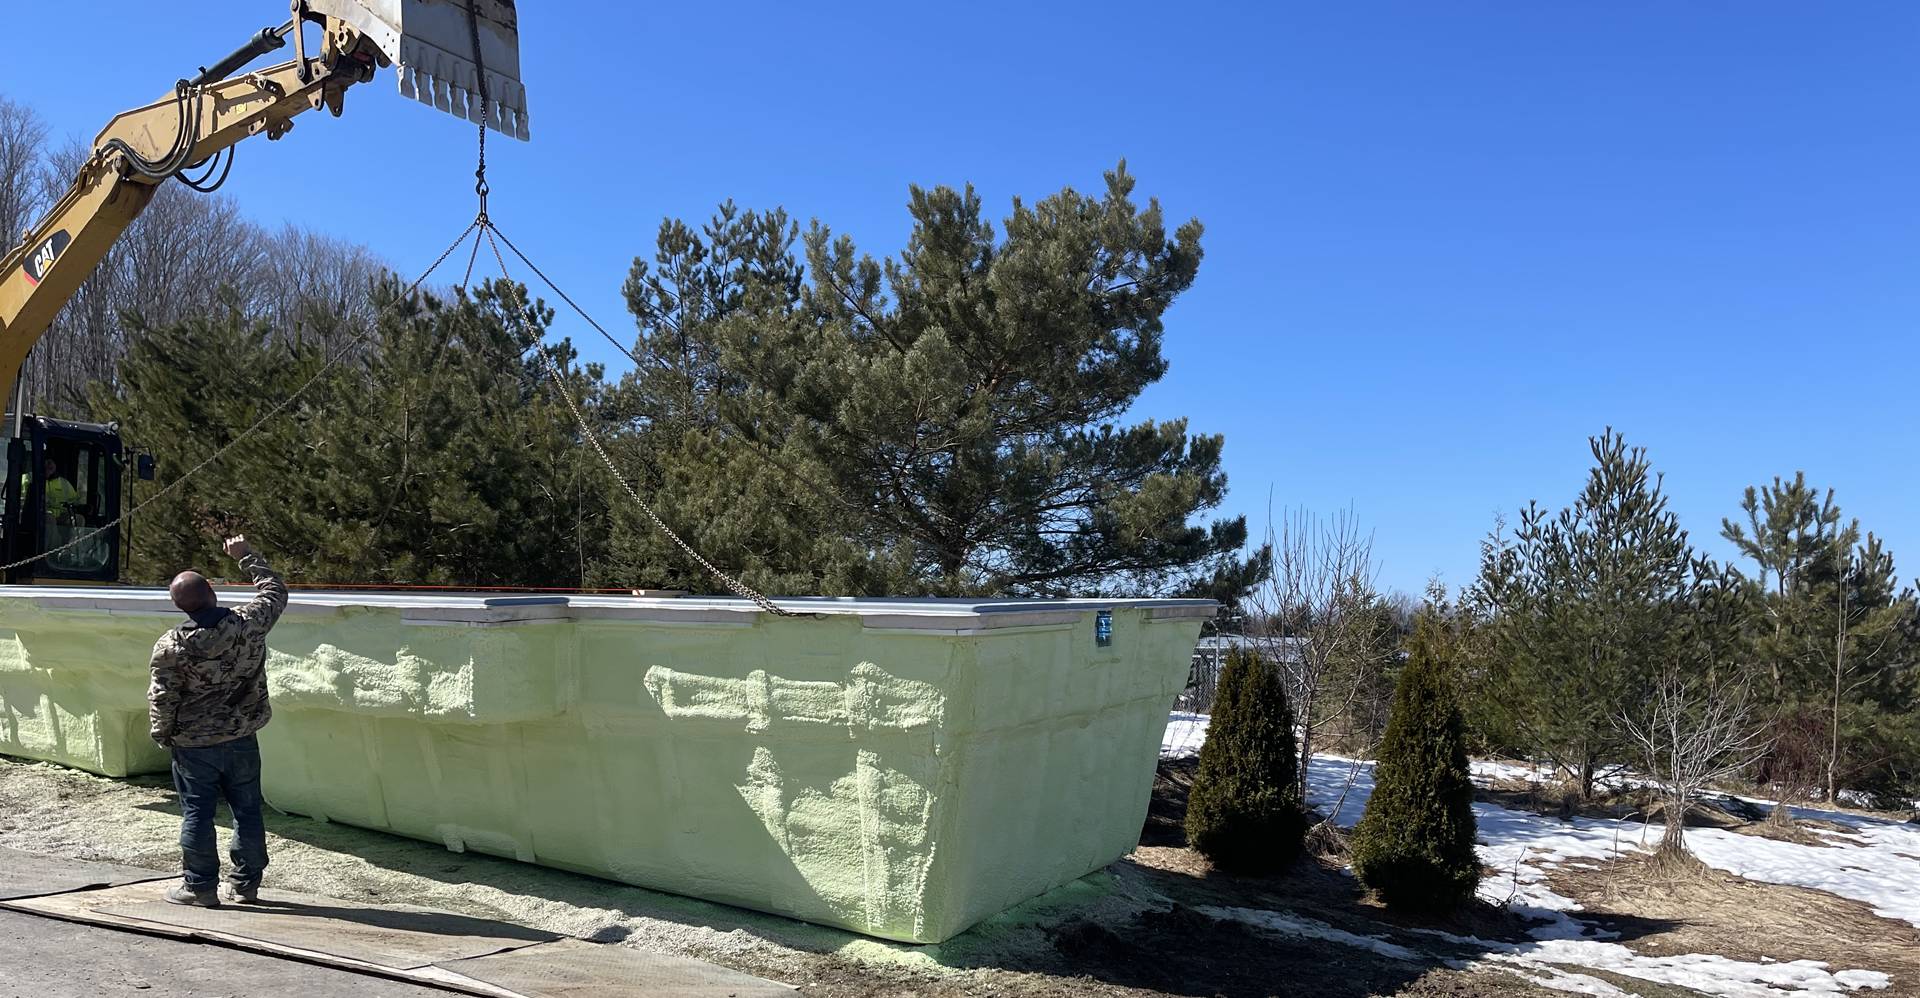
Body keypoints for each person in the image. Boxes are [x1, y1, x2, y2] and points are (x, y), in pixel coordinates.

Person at [147, 532, 289, 907]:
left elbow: (163, 697)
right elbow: (275, 590)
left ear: (181, 606)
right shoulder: (249, 623)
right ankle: (246, 885)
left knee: (197, 812)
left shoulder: (171, 647)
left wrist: (163, 735)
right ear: (212, 591)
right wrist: (244, 555)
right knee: (247, 809)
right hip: (242, 734)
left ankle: (200, 886)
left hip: (193, 743)